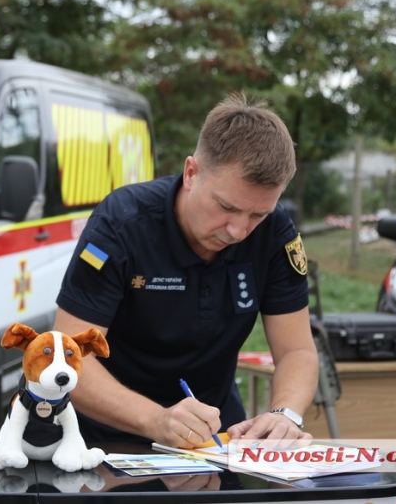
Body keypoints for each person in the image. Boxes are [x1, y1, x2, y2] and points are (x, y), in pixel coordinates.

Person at [53, 92, 318, 449]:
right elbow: (68, 357)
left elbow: (296, 351)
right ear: (191, 173)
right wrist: (156, 420)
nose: (239, 230)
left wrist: (285, 414)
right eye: (226, 207)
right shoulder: (121, 225)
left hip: (212, 439)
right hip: (102, 439)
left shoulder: (275, 233)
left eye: (258, 215)